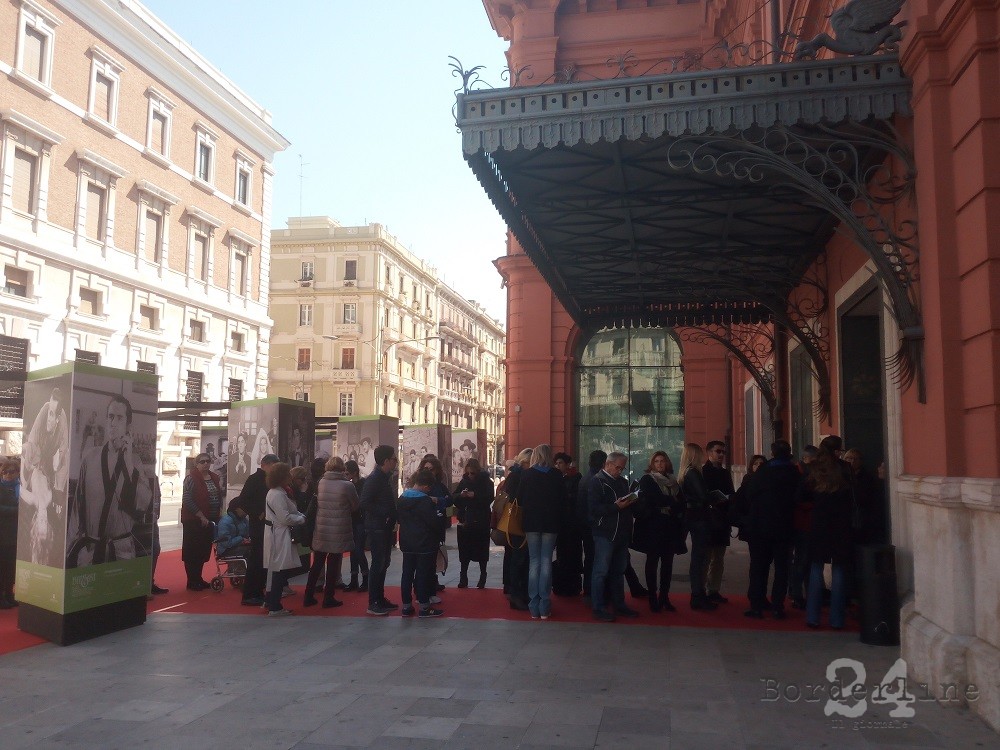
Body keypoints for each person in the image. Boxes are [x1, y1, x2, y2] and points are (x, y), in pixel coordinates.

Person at [66, 394, 154, 568]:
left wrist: (129, 465)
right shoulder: (90, 458)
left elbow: (143, 504)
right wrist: (72, 549)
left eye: (119, 418)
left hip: (122, 551)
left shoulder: (135, 461)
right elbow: (77, 508)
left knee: (121, 594)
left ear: (128, 424)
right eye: (110, 417)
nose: (113, 422)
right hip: (90, 551)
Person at [742, 441, 800, 619]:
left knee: (759, 567)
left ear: (773, 453)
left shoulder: (763, 472)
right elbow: (798, 497)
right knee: (782, 569)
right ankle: (777, 606)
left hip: (761, 527)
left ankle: (757, 605)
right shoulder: (794, 472)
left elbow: (749, 495)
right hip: (784, 528)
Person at [802, 446, 855, 629]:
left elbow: (800, 497)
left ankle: (812, 617)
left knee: (816, 570)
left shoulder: (813, 478)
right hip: (841, 529)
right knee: (839, 571)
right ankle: (837, 619)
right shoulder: (843, 477)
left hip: (819, 528)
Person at [588, 451, 640, 622]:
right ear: (608, 464)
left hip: (622, 533)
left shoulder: (622, 482)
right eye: (618, 467)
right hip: (605, 533)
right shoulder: (597, 482)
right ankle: (598, 607)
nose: (620, 471)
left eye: (622, 468)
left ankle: (619, 604)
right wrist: (616, 507)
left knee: (619, 571)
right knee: (600, 572)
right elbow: (594, 510)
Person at [304, 456, 359, 608]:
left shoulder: (321, 483)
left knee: (317, 563)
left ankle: (308, 596)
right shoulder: (347, 485)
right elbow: (355, 506)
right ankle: (328, 597)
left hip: (322, 528)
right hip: (338, 528)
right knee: (334, 563)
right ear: (342, 468)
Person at [517, 444, 565, 620]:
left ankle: (533, 606)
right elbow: (563, 500)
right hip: (551, 524)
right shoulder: (556, 475)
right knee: (546, 561)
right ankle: (545, 605)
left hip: (531, 523)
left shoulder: (527, 474)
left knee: (534, 562)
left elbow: (520, 498)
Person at [633, 451, 684, 613]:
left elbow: (681, 502)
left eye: (662, 461)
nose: (660, 464)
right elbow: (655, 499)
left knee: (668, 563)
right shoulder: (648, 479)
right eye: (656, 461)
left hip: (670, 527)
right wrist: (671, 502)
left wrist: (671, 504)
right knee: (652, 561)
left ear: (667, 463)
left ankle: (664, 596)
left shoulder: (673, 480)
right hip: (653, 527)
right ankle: (652, 597)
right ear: (652, 464)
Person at [397, 469, 445, 618]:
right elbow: (433, 523)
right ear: (426, 486)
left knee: (407, 573)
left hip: (407, 542)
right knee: (423, 574)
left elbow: (399, 519)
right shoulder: (424, 501)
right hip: (424, 543)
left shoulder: (402, 498)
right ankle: (424, 607)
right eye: (429, 488)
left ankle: (406, 606)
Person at [360, 445, 399, 616]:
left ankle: (380, 598)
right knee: (378, 563)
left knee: (384, 563)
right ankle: (373, 601)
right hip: (377, 527)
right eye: (393, 459)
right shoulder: (375, 479)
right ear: (386, 461)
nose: (395, 461)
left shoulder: (384, 478)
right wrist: (385, 514)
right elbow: (365, 502)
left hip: (384, 527)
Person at [236, 453, 279, 606]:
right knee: (256, 559)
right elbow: (243, 501)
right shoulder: (254, 479)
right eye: (273, 465)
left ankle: (258, 591)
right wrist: (259, 513)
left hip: (267, 525)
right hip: (258, 525)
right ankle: (250, 593)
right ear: (265, 464)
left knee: (263, 560)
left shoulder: (270, 481)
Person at [262, 463, 305, 617]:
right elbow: (285, 518)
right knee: (279, 569)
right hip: (278, 534)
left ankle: (270, 601)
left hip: (276, 533)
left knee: (276, 569)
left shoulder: (275, 492)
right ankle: (274, 605)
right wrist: (301, 519)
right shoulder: (278, 494)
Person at [679, 443, 717, 611]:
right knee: (699, 558)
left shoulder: (685, 472)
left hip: (693, 517)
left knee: (699, 558)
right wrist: (713, 497)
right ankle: (697, 595)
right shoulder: (693, 473)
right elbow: (702, 496)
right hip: (699, 518)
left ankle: (698, 594)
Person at [180, 453, 223, 590]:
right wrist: (200, 516)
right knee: (193, 551)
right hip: (193, 521)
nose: (205, 464)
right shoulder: (191, 478)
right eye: (202, 461)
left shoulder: (214, 477)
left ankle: (198, 578)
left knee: (204, 551)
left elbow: (218, 496)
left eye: (207, 461)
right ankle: (192, 581)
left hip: (210, 520)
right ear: (196, 464)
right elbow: (187, 499)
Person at [702, 440, 735, 604]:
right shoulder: (702, 472)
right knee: (706, 557)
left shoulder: (725, 473)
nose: (721, 454)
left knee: (719, 559)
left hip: (722, 519)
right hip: (708, 519)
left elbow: (731, 493)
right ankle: (701, 590)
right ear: (709, 452)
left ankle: (713, 589)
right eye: (718, 451)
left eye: (723, 452)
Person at [453, 457, 493, 589]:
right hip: (466, 520)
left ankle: (483, 575)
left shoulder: (486, 482)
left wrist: (474, 495)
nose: (470, 476)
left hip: (481, 520)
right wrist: (461, 495)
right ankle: (463, 576)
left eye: (472, 473)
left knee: (482, 550)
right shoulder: (464, 481)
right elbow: (455, 497)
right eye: (468, 473)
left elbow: (489, 498)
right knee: (464, 550)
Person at [501, 448, 533, 610]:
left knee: (519, 559)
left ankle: (518, 593)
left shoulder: (515, 475)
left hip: (518, 521)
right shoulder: (518, 476)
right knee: (518, 559)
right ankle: (517, 595)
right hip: (517, 521)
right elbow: (516, 498)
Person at [577, 449, 606, 606]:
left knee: (590, 559)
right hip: (593, 526)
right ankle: (592, 593)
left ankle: (589, 591)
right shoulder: (596, 479)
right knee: (595, 560)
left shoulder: (586, 478)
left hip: (586, 525)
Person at [552, 452, 583, 597]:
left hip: (572, 524)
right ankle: (562, 585)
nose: (558, 466)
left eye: (560, 463)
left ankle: (573, 585)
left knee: (573, 555)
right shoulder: (556, 478)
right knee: (562, 555)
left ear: (567, 464)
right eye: (556, 463)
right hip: (561, 524)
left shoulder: (575, 478)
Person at [343, 459, 369, 592]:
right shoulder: (349, 485)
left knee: (358, 549)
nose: (346, 476)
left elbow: (361, 503)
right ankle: (354, 579)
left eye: (347, 473)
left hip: (361, 520)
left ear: (354, 473)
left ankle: (365, 577)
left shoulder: (363, 484)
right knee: (353, 550)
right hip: (352, 520)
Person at [0, 458, 20, 609]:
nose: (7, 474)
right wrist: (17, 511)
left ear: (17, 472)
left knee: (12, 568)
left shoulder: (22, 487)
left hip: (17, 535)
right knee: (2, 567)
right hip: (2, 535)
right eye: (4, 471)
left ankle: (9, 594)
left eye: (11, 471)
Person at [149, 477, 168, 595]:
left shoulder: (154, 478)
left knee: (155, 549)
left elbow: (158, 497)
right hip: (137, 522)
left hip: (152, 521)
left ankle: (149, 582)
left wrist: (157, 513)